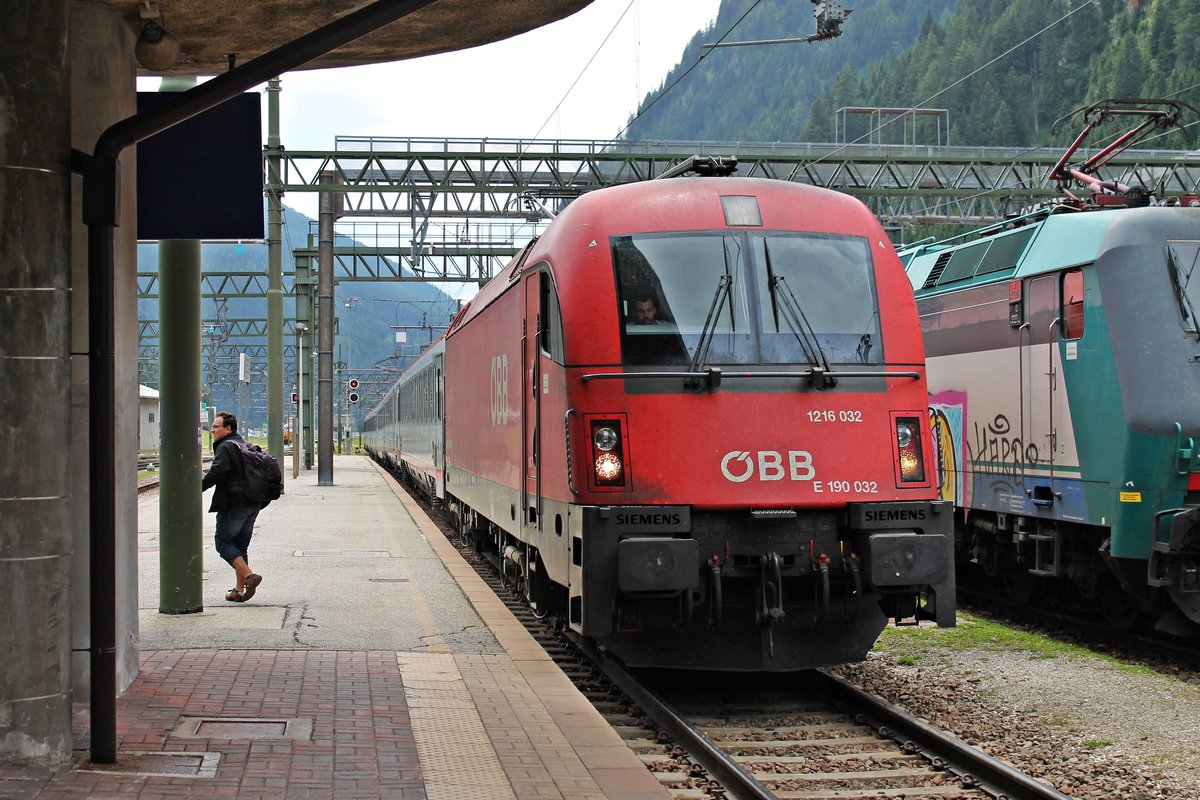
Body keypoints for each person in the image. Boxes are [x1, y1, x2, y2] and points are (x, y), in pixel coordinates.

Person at [202, 411, 264, 602]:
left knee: (223, 543)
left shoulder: (226, 447)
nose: (212, 430)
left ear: (227, 429)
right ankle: (239, 590)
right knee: (239, 546)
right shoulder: (244, 444)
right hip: (253, 503)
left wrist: (195, 488)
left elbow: (216, 472)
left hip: (233, 504)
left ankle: (249, 576)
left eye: (216, 426)